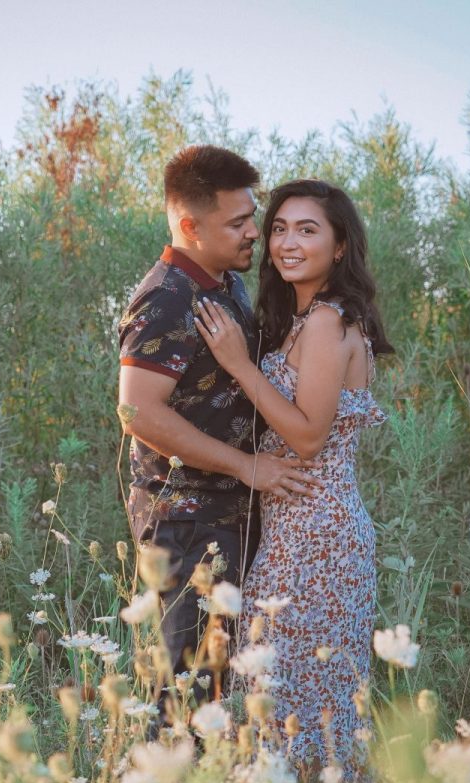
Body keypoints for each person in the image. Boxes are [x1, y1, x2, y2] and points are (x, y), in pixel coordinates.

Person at [195, 178, 394, 783]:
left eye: (307, 230)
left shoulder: (330, 323)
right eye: (279, 228)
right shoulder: (300, 322)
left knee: (305, 697)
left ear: (340, 247)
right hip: (293, 532)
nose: (286, 242)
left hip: (321, 535)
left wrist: (236, 365)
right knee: (277, 690)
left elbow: (308, 436)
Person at [117, 146, 321, 729]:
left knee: (223, 685)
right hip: (186, 521)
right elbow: (138, 412)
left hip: (229, 515)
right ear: (189, 226)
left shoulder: (223, 285)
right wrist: (247, 466)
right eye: (238, 223)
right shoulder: (166, 297)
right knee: (184, 689)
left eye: (251, 217)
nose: (254, 233)